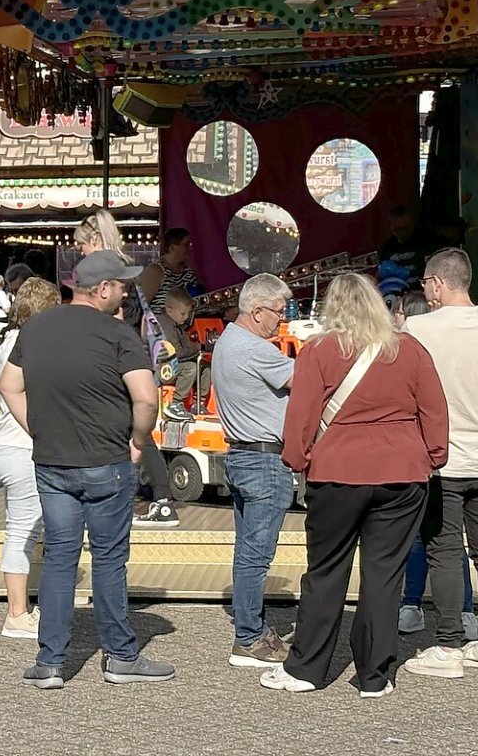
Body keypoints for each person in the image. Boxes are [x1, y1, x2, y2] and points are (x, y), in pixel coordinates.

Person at [261, 273, 448, 697]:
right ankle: (374, 676)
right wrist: (434, 456)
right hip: (402, 473)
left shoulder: (319, 351)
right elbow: (433, 411)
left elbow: (302, 417)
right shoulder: (411, 350)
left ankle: (306, 669)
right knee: (385, 576)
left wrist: (298, 460)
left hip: (336, 473)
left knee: (326, 572)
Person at [0, 250, 173, 689]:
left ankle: (51, 661)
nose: (127, 293)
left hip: (52, 461)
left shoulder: (36, 327)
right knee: (109, 559)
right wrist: (137, 440)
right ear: (104, 289)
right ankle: (119, 656)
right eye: (123, 286)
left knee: (59, 556)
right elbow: (147, 398)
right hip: (105, 460)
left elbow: (8, 384)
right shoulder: (118, 333)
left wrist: (36, 429)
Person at [403, 248, 478, 679]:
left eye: (425, 284)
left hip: (440, 457)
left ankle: (448, 645)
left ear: (437, 282)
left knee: (444, 550)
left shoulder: (417, 327)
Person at [211, 274, 297, 669]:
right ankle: (248, 638)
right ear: (257, 310)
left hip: (243, 456)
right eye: (279, 312)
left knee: (247, 551)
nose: (282, 319)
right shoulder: (254, 349)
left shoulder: (229, 340)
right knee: (256, 557)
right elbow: (303, 380)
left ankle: (251, 630)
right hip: (264, 459)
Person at [76, 208, 182, 527]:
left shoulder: (110, 273)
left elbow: (117, 318)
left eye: (82, 244)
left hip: (115, 358)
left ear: (95, 239)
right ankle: (153, 494)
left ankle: (158, 496)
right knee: (135, 425)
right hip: (131, 355)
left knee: (133, 427)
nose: (80, 250)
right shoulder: (127, 269)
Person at [392, 291, 477, 639]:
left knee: (422, 536)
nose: (394, 319)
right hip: (457, 449)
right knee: (451, 538)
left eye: (398, 313)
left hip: (423, 452)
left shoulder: (408, 347)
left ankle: (413, 606)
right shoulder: (457, 348)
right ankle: (466, 613)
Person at [0, 276, 60, 640]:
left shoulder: (9, 342)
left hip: (5, 444)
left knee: (26, 526)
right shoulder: (35, 344)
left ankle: (24, 607)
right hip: (23, 446)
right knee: (23, 530)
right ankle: (17, 614)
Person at [155, 286, 208, 410]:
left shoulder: (178, 324)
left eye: (188, 313)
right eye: (183, 313)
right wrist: (199, 347)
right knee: (190, 368)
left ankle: (199, 402)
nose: (185, 317)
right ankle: (176, 403)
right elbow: (177, 353)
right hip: (162, 369)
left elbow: (187, 348)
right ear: (169, 310)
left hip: (172, 365)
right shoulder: (165, 326)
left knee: (205, 367)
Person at [139, 227, 200, 314]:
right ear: (172, 248)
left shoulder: (189, 272)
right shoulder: (156, 271)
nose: (189, 249)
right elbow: (142, 305)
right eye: (186, 245)